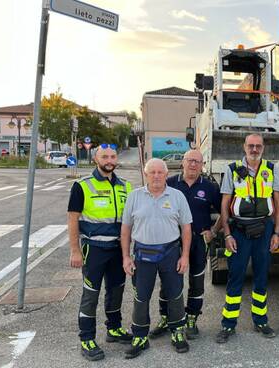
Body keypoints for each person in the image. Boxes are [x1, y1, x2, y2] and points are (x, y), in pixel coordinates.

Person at [120, 158, 193, 358]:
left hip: (170, 252)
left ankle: (177, 331)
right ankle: (140, 336)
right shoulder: (134, 196)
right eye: (152, 172)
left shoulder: (177, 196)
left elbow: (186, 228)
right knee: (141, 297)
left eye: (160, 172)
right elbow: (125, 229)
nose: (156, 176)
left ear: (166, 174)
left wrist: (185, 256)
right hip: (143, 254)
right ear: (146, 174)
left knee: (175, 294)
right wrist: (126, 257)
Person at [67, 143, 133, 361]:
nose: (109, 161)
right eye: (105, 156)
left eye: (113, 156)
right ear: (96, 159)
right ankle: (87, 338)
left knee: (116, 291)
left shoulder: (126, 186)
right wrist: (75, 250)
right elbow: (72, 219)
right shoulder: (82, 185)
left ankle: (113, 329)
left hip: (117, 249)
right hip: (93, 249)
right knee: (91, 295)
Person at [215, 133, 279, 343]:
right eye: (251, 146)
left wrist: (277, 233)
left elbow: (278, 203)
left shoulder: (271, 170)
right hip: (239, 231)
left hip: (264, 230)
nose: (255, 149)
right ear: (244, 147)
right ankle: (228, 325)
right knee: (235, 277)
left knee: (262, 277)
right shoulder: (232, 169)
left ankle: (260, 320)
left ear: (264, 148)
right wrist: (227, 234)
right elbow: (225, 202)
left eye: (258, 146)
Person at [150, 150, 221, 340]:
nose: (193, 165)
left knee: (197, 282)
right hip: (173, 242)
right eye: (190, 161)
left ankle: (191, 318)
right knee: (169, 282)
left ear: (202, 164)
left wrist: (213, 231)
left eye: (197, 162)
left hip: (199, 240)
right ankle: (166, 317)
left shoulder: (210, 187)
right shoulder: (170, 183)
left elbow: (225, 210)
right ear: (183, 162)